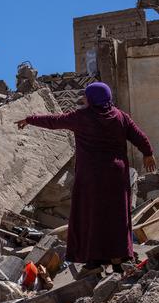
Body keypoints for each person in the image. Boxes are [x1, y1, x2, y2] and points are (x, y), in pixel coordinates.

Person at [15, 82, 156, 275]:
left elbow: (54, 121)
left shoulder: (81, 117)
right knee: (116, 217)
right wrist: (148, 154)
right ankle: (117, 258)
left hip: (91, 177)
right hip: (116, 176)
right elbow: (140, 137)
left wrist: (29, 119)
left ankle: (94, 260)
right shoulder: (120, 117)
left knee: (91, 217)